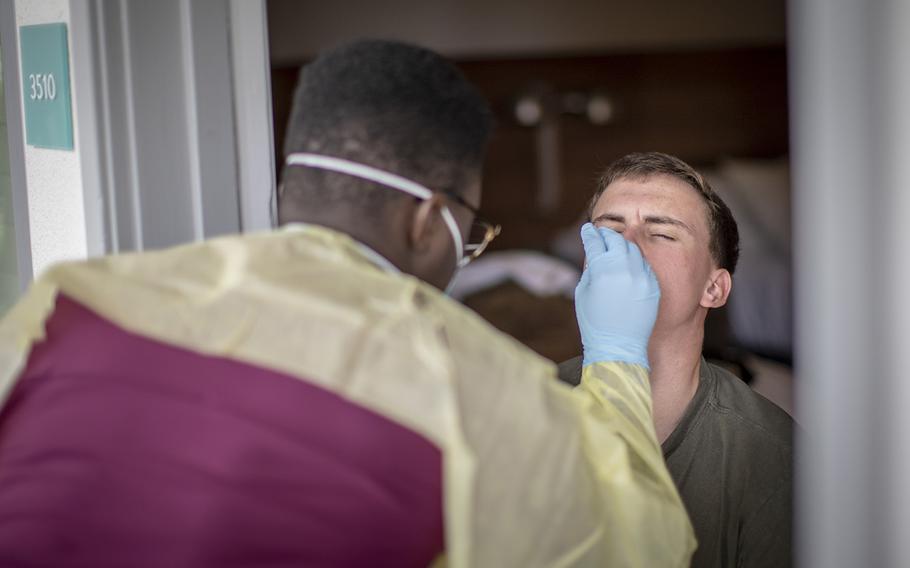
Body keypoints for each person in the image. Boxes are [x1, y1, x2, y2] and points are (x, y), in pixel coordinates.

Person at [0, 41, 694, 567]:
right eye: (471, 234)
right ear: (427, 220)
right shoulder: (466, 389)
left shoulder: (70, 301)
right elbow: (641, 543)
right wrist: (617, 359)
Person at [559, 151, 793, 568]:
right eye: (608, 233)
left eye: (662, 234)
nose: (625, 250)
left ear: (714, 289)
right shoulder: (527, 403)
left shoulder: (772, 457)